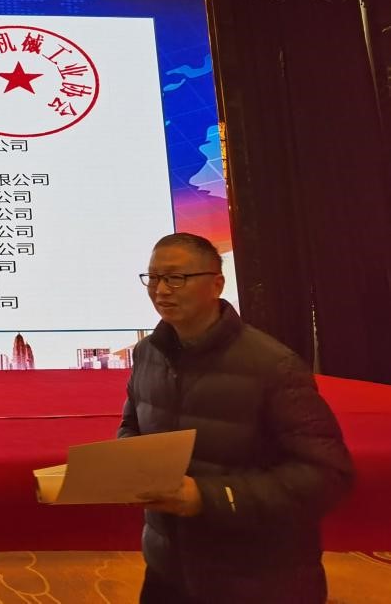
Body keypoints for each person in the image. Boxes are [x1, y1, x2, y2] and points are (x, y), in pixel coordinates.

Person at [119, 233, 354, 604]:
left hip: (258, 577)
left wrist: (209, 497)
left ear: (217, 284)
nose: (161, 290)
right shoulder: (148, 353)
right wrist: (128, 464)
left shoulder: (273, 365)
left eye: (176, 278)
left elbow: (328, 475)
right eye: (153, 278)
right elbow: (132, 425)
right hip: (168, 569)